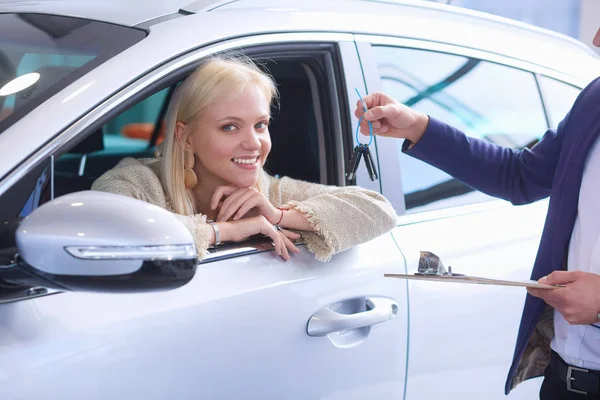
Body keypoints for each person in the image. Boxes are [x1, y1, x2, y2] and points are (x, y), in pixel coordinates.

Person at [354, 29, 600, 399]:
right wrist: (418, 127)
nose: (596, 39)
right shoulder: (594, 101)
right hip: (564, 381)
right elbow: (518, 176)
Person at [92, 56, 397, 262]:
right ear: (186, 136)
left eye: (261, 125)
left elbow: (379, 209)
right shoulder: (138, 182)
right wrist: (224, 232)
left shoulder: (274, 193)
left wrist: (278, 216)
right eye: (230, 127)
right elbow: (104, 225)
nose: (254, 143)